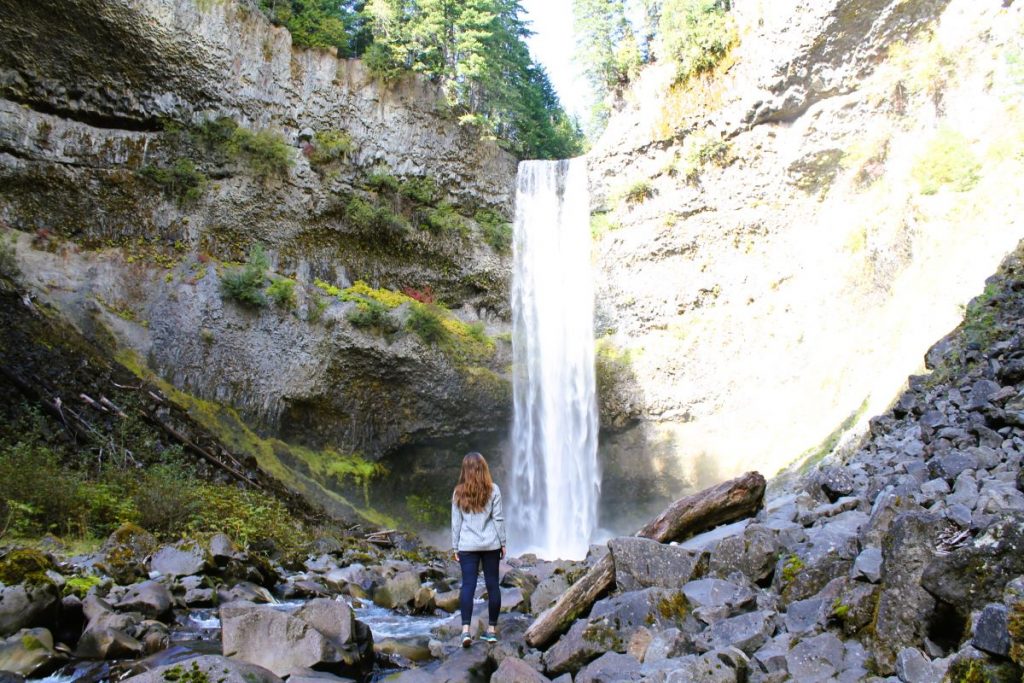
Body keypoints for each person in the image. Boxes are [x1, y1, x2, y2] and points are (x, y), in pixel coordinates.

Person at [451, 452, 506, 647]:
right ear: (484, 468)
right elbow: (498, 519)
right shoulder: (494, 490)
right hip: (490, 544)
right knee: (493, 585)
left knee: (468, 586)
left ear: (465, 470)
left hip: (467, 546)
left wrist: (455, 546)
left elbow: (456, 523)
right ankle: (491, 631)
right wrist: (503, 542)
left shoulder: (458, 492)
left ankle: (465, 631)